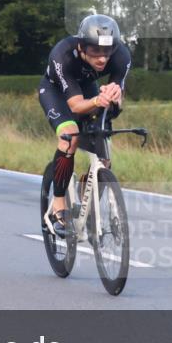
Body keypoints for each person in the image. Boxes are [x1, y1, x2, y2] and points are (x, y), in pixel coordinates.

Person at [38, 14, 131, 237]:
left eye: (106, 52)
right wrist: (99, 100)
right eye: (94, 51)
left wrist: (114, 97)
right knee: (70, 136)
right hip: (57, 92)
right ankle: (58, 205)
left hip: (88, 87)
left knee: (103, 151)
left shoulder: (122, 56)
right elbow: (77, 106)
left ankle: (87, 202)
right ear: (81, 47)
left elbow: (117, 103)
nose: (101, 59)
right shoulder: (62, 55)